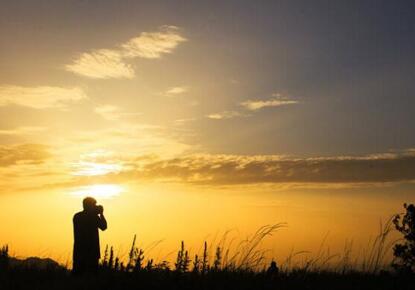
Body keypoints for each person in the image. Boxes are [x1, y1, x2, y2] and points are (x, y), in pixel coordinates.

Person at [73, 197, 107, 274]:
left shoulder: (77, 216)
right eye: (94, 205)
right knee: (91, 275)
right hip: (92, 251)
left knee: (78, 274)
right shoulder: (93, 217)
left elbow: (103, 227)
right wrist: (101, 213)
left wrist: (98, 214)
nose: (95, 207)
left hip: (79, 251)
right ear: (89, 206)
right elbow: (104, 227)